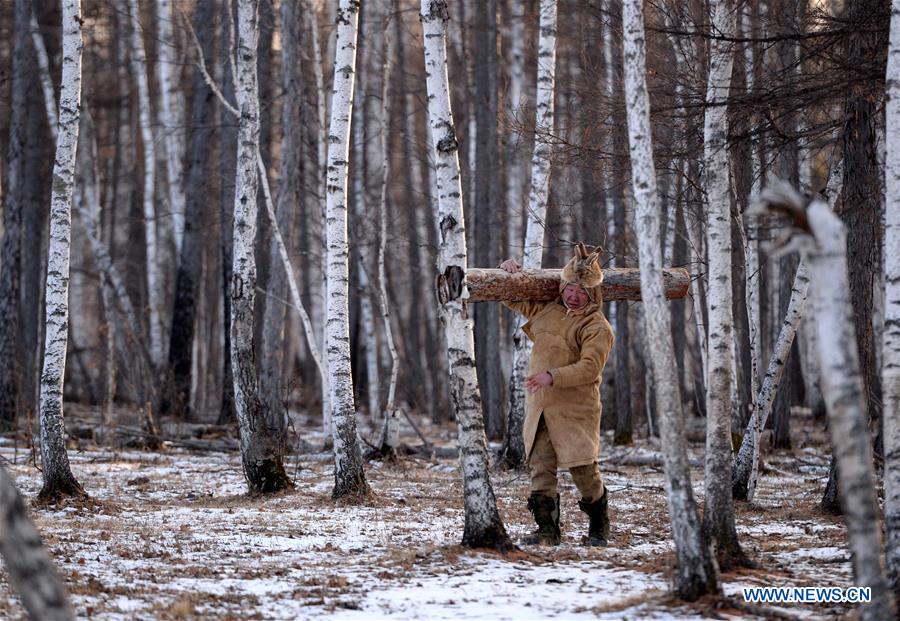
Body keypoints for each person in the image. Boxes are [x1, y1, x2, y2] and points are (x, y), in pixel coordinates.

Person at [500, 243, 615, 546]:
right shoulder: (548, 310)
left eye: (582, 292)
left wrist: (552, 376)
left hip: (576, 410)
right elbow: (514, 299)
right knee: (541, 468)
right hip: (541, 408)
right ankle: (547, 531)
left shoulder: (597, 326)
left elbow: (590, 368)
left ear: (593, 295)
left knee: (583, 469)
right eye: (570, 289)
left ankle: (600, 527)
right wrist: (511, 273)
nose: (574, 296)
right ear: (562, 286)